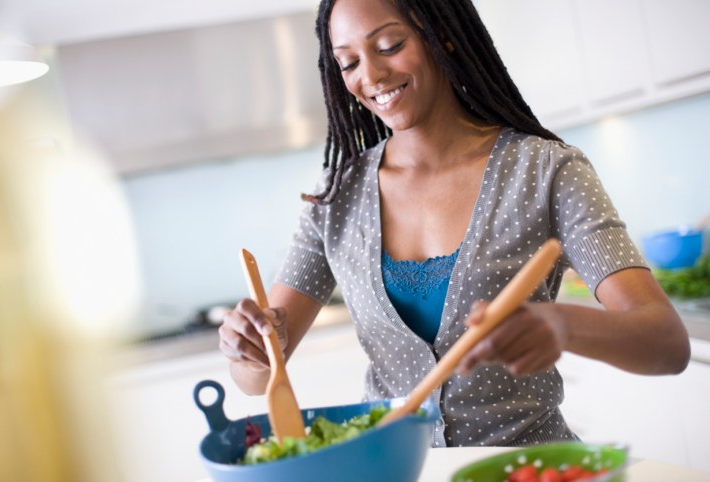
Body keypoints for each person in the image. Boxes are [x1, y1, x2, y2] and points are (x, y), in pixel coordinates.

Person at [219, 0, 690, 447]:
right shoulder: (336, 199)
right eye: (349, 63)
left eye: (389, 46)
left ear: (441, 35)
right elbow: (257, 378)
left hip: (527, 469)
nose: (372, 75)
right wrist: (250, 346)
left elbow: (666, 342)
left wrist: (563, 324)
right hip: (401, 469)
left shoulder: (546, 171)